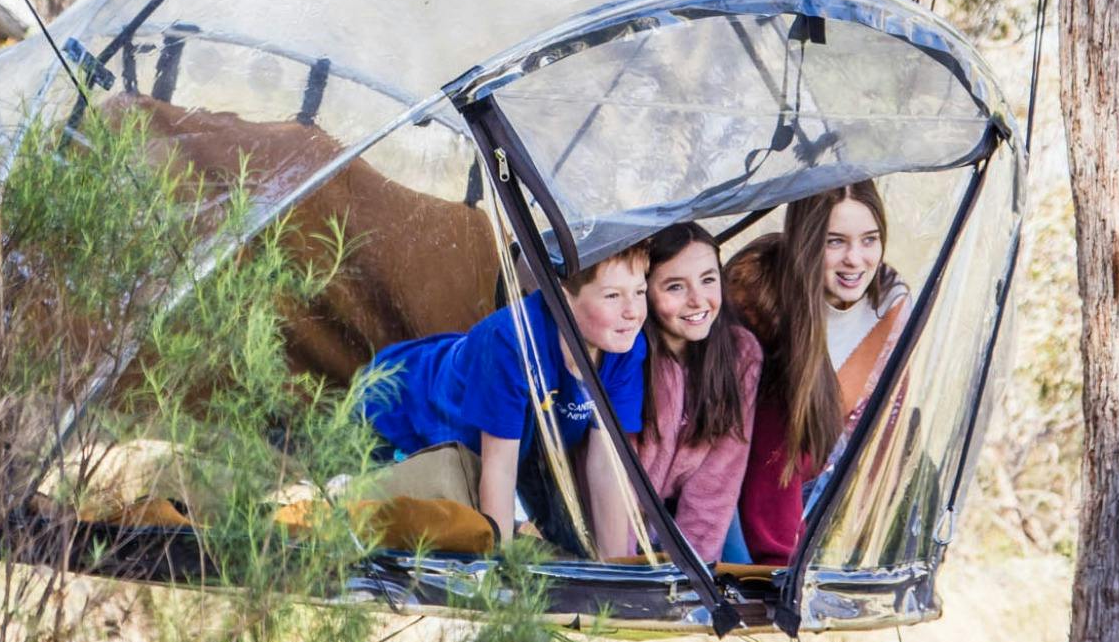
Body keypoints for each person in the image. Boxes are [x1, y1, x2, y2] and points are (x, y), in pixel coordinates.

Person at [362, 245, 649, 558]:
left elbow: (606, 466)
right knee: (401, 532)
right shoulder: (512, 342)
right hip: (395, 413)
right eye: (613, 296)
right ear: (563, 295)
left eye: (640, 291)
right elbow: (499, 468)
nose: (633, 311)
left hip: (506, 447)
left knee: (569, 553)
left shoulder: (624, 346)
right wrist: (502, 571)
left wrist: (615, 571)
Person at [725, 182, 909, 565]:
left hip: (830, 485)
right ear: (807, 243)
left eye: (869, 240)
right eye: (835, 242)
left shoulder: (889, 304)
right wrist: (779, 569)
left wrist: (869, 552)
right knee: (784, 398)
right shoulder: (761, 298)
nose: (855, 260)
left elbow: (886, 440)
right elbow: (761, 450)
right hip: (741, 498)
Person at [632, 223, 762, 562]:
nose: (697, 300)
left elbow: (717, 484)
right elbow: (619, 488)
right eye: (675, 286)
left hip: (693, 515)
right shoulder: (630, 355)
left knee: (739, 577)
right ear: (644, 290)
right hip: (625, 516)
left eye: (708, 279)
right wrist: (625, 571)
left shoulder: (740, 355)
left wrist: (692, 582)